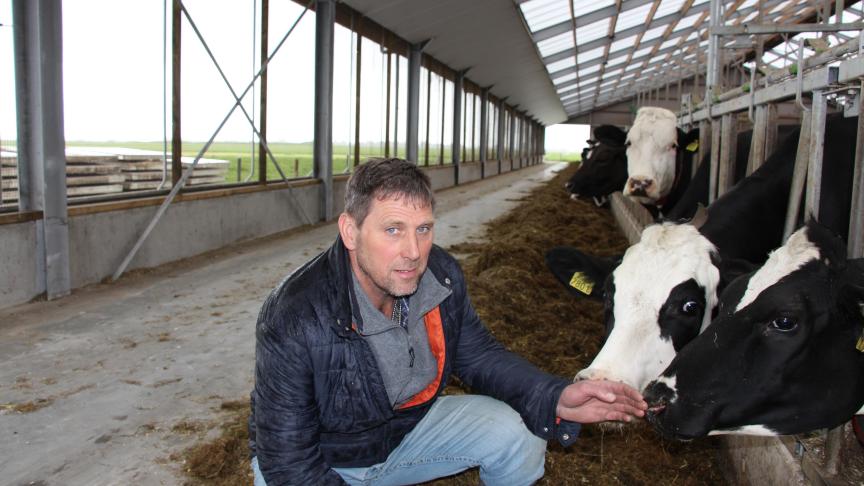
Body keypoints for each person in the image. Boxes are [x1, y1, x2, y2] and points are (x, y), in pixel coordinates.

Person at [248, 158, 647, 485]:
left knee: (520, 430)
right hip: (328, 460)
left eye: (423, 229)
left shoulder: (439, 275)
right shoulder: (296, 316)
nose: (413, 251)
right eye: (392, 230)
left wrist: (555, 396)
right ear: (350, 231)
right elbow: (288, 461)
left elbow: (478, 356)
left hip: (407, 434)